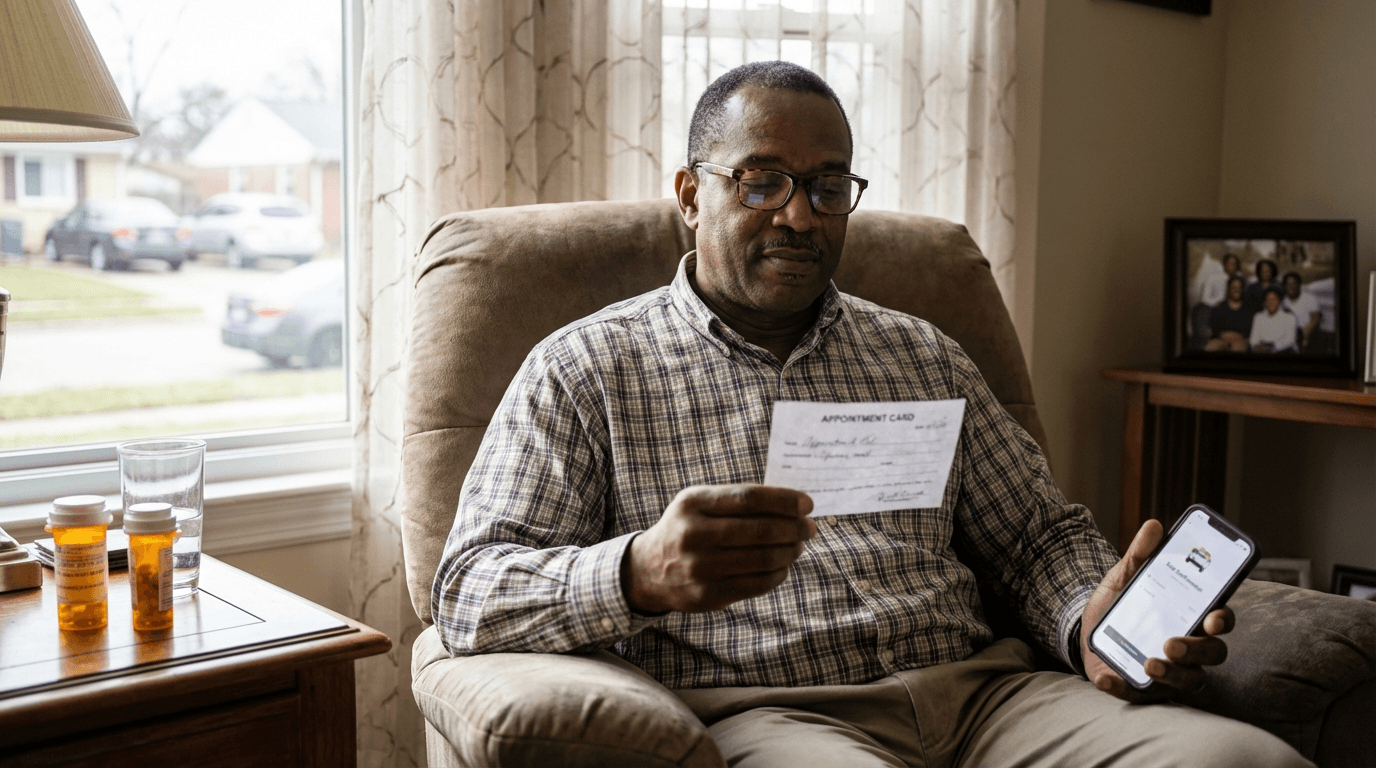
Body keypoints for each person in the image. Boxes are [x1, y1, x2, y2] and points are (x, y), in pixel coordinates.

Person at [432, 62, 1310, 767]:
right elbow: (467, 592)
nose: (799, 216)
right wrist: (635, 572)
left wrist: (1091, 621)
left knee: (1241, 759)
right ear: (692, 195)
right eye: (761, 181)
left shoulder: (922, 354)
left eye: (825, 186)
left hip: (989, 699)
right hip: (774, 716)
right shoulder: (584, 369)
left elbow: (1037, 539)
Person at [1204, 276, 1253, 352]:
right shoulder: (1219, 307)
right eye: (1234, 287)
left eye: (1239, 287)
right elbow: (1214, 327)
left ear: (1242, 289)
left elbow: (1250, 329)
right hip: (1221, 339)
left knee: (1237, 348)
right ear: (1229, 288)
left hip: (1241, 341)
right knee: (1211, 347)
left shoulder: (1249, 309)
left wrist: (1237, 337)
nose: (1236, 289)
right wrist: (1222, 335)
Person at [1281, 271, 1323, 352]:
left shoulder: (1310, 298)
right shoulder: (1284, 301)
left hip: (1309, 333)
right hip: (1292, 334)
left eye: (1294, 283)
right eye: (1288, 284)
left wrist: (1306, 337)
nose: (1291, 286)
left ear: (1299, 284)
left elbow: (1315, 319)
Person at [1250, 286, 1299, 354]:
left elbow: (1290, 341)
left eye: (1274, 299)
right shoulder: (1258, 316)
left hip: (1284, 352)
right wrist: (1257, 347)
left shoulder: (1289, 317)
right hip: (1262, 352)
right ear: (1265, 302)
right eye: (1268, 300)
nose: (1271, 302)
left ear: (1279, 301)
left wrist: (1270, 348)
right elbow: (1253, 340)